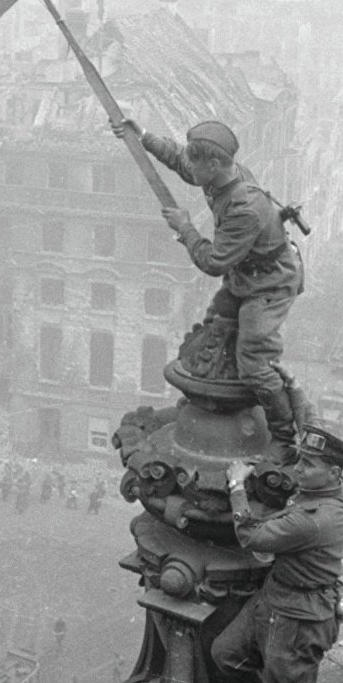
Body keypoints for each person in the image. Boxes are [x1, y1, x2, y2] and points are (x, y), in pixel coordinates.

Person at [112, 117, 304, 457]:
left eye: (196, 161)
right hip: (247, 276)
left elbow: (214, 262)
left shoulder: (245, 207)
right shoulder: (221, 175)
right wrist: (143, 136)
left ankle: (284, 434)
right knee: (214, 328)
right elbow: (181, 161)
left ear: (214, 164)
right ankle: (203, 397)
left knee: (254, 362)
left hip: (270, 286)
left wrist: (186, 228)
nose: (190, 167)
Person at [210, 421, 343, 683]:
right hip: (277, 596)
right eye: (300, 461)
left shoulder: (315, 519)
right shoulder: (335, 488)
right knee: (227, 654)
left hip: (299, 618)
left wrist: (236, 484)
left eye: (308, 465)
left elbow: (251, 536)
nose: (298, 471)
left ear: (333, 473)